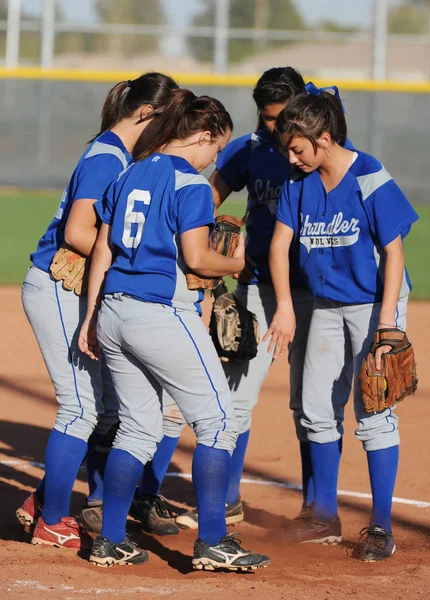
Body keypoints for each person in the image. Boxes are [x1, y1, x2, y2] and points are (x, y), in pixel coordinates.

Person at [133, 67, 353, 533]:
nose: (273, 127)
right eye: (266, 117)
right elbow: (207, 195)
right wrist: (206, 246)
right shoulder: (249, 150)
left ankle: (317, 509)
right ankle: (227, 500)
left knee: (313, 406)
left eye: (281, 117)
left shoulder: (314, 155)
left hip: (317, 294)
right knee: (233, 398)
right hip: (256, 287)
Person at [78, 89, 271, 570]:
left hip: (115, 312)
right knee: (220, 422)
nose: (214, 159)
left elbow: (102, 250)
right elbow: (196, 259)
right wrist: (241, 259)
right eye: (216, 147)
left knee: (137, 429)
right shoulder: (189, 184)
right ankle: (213, 543)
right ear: (202, 136)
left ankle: (110, 540)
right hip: (159, 312)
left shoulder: (130, 171)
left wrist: (91, 317)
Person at [18, 72, 179, 550]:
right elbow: (77, 232)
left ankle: (41, 505)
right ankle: (51, 521)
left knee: (105, 409)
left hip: (76, 289)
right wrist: (140, 266)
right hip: (58, 287)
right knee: (81, 407)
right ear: (147, 115)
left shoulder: (119, 154)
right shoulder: (108, 156)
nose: (169, 135)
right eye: (166, 123)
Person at [266, 90, 418, 560]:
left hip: (375, 304)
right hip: (327, 305)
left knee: (372, 411)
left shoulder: (370, 176)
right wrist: (286, 306)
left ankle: (381, 527)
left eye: (298, 148)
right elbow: (279, 245)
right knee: (314, 407)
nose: (291, 157)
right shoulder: (298, 181)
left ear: (325, 138)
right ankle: (323, 517)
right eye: (287, 149)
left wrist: (387, 326)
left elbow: (393, 252)